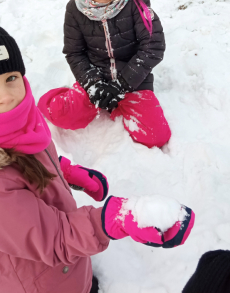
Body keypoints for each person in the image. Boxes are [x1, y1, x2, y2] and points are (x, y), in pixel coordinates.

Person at [0, 27, 194, 293]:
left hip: (68, 265)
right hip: (40, 280)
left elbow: (33, 160)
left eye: (11, 77)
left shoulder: (22, 120)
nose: (6, 96)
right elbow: (54, 238)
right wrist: (118, 218)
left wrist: (66, 170)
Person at [38, 0, 171, 149]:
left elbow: (153, 46)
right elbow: (75, 52)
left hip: (133, 81)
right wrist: (92, 85)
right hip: (96, 77)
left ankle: (118, 103)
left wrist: (122, 85)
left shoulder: (135, 2)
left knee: (155, 136)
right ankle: (58, 98)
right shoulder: (75, 10)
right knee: (64, 117)